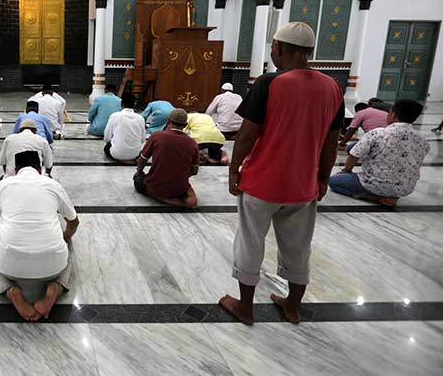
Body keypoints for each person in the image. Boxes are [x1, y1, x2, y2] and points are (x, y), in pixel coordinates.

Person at [221, 21, 343, 326]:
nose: (273, 51)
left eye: (273, 46)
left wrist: (234, 170)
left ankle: (245, 307)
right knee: (299, 246)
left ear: (280, 49)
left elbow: (247, 134)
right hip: (303, 186)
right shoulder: (332, 87)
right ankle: (292, 306)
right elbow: (332, 141)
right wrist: (323, 178)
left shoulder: (269, 83)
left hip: (262, 182)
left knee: (250, 242)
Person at [0, 150, 79, 321]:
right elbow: (74, 222)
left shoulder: (3, 185)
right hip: (53, 266)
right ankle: (56, 288)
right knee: (68, 248)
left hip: (9, 267)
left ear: (15, 170)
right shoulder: (52, 184)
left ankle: (10, 290)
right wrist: (65, 238)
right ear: (40, 170)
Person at [330, 100, 428, 207]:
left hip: (374, 184)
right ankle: (392, 197)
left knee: (334, 181)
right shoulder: (422, 139)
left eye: (389, 112)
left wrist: (346, 170)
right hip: (404, 188)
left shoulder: (378, 133)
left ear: (394, 115)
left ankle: (376, 197)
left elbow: (354, 155)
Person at [134, 108, 199, 208]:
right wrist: (180, 177)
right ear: (185, 125)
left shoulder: (156, 136)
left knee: (138, 180)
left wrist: (138, 172)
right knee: (186, 192)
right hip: (179, 188)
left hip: (155, 186)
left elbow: (142, 159)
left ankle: (161, 197)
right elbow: (194, 171)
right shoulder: (192, 143)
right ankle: (184, 197)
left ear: (168, 121)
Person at [104, 92, 146, 164]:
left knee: (106, 148)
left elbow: (107, 137)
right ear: (134, 104)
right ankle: (128, 159)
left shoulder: (115, 116)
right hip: (135, 154)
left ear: (121, 104)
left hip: (116, 154)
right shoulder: (140, 118)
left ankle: (122, 160)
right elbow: (142, 139)